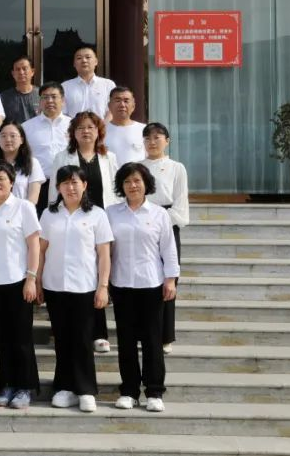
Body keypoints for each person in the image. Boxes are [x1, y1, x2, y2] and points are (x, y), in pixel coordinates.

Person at [38, 165, 113, 414]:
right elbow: (41, 251)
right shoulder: (49, 214)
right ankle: (64, 387)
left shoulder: (97, 215)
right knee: (62, 339)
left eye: (75, 182)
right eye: (65, 183)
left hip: (85, 286)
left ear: (84, 185)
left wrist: (103, 286)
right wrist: (36, 281)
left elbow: (104, 254)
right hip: (54, 285)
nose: (70, 188)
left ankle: (86, 390)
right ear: (58, 187)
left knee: (82, 339)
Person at [108, 162, 180, 412]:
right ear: (121, 186)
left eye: (137, 180)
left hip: (151, 284)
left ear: (146, 183)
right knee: (126, 341)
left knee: (152, 340)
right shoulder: (111, 213)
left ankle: (154, 391)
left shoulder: (159, 214)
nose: (132, 185)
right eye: (127, 181)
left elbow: (169, 249)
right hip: (121, 284)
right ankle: (129, 391)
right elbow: (105, 250)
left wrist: (171, 279)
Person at [51, 111, 121, 353]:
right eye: (80, 127)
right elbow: (54, 191)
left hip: (100, 221)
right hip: (71, 221)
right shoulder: (62, 157)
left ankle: (99, 333)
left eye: (90, 127)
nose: (86, 131)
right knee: (77, 275)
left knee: (98, 275)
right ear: (73, 133)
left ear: (98, 131)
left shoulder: (109, 157)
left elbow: (115, 192)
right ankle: (66, 330)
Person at [0, 160, 41, 410]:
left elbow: (34, 245)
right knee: (1, 338)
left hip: (18, 282)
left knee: (21, 338)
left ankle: (25, 386)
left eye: (1, 178)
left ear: (12, 182)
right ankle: (6, 384)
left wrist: (31, 278)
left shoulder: (23, 207)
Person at [141, 122, 189, 354]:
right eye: (147, 138)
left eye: (157, 137)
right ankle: (144, 333)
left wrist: (159, 220)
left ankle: (165, 336)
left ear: (167, 141)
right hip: (140, 226)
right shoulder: (137, 167)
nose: (152, 142)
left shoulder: (177, 168)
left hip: (168, 225)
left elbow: (180, 204)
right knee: (144, 280)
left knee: (168, 281)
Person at [22, 82, 72, 209]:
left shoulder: (74, 125)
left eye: (54, 97)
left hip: (69, 183)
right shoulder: (26, 127)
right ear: (40, 101)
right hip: (40, 185)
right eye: (45, 97)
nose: (49, 101)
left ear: (63, 100)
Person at [0, 122, 45, 205]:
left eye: (12, 136)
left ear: (22, 140)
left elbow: (33, 198)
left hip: (23, 211)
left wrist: (23, 211)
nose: (8, 139)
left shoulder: (32, 163)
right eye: (3, 136)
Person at [62, 45, 116, 120]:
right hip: (73, 127)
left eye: (88, 57)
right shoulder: (65, 86)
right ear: (74, 64)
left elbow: (112, 111)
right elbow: (63, 113)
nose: (84, 60)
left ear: (96, 61)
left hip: (103, 127)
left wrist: (102, 126)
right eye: (79, 58)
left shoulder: (108, 84)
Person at [105, 87, 146, 165]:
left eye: (126, 101)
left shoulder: (144, 129)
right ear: (109, 106)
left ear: (133, 106)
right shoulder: (100, 131)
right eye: (118, 101)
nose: (122, 105)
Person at [1, 56, 39, 125]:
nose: (21, 72)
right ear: (13, 74)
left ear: (32, 72)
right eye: (18, 69)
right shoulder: (4, 97)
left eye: (24, 69)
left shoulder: (41, 95)